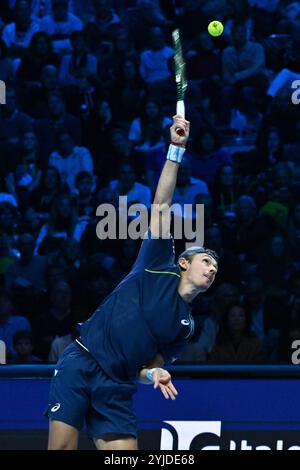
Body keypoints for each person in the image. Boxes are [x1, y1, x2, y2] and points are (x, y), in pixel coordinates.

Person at [46, 115, 219, 450]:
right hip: (82, 361)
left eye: (216, 268)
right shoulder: (156, 263)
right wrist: (176, 149)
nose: (212, 270)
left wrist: (154, 374)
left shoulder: (185, 327)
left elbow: (148, 367)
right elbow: (161, 204)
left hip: (118, 384)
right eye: (206, 261)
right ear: (184, 262)